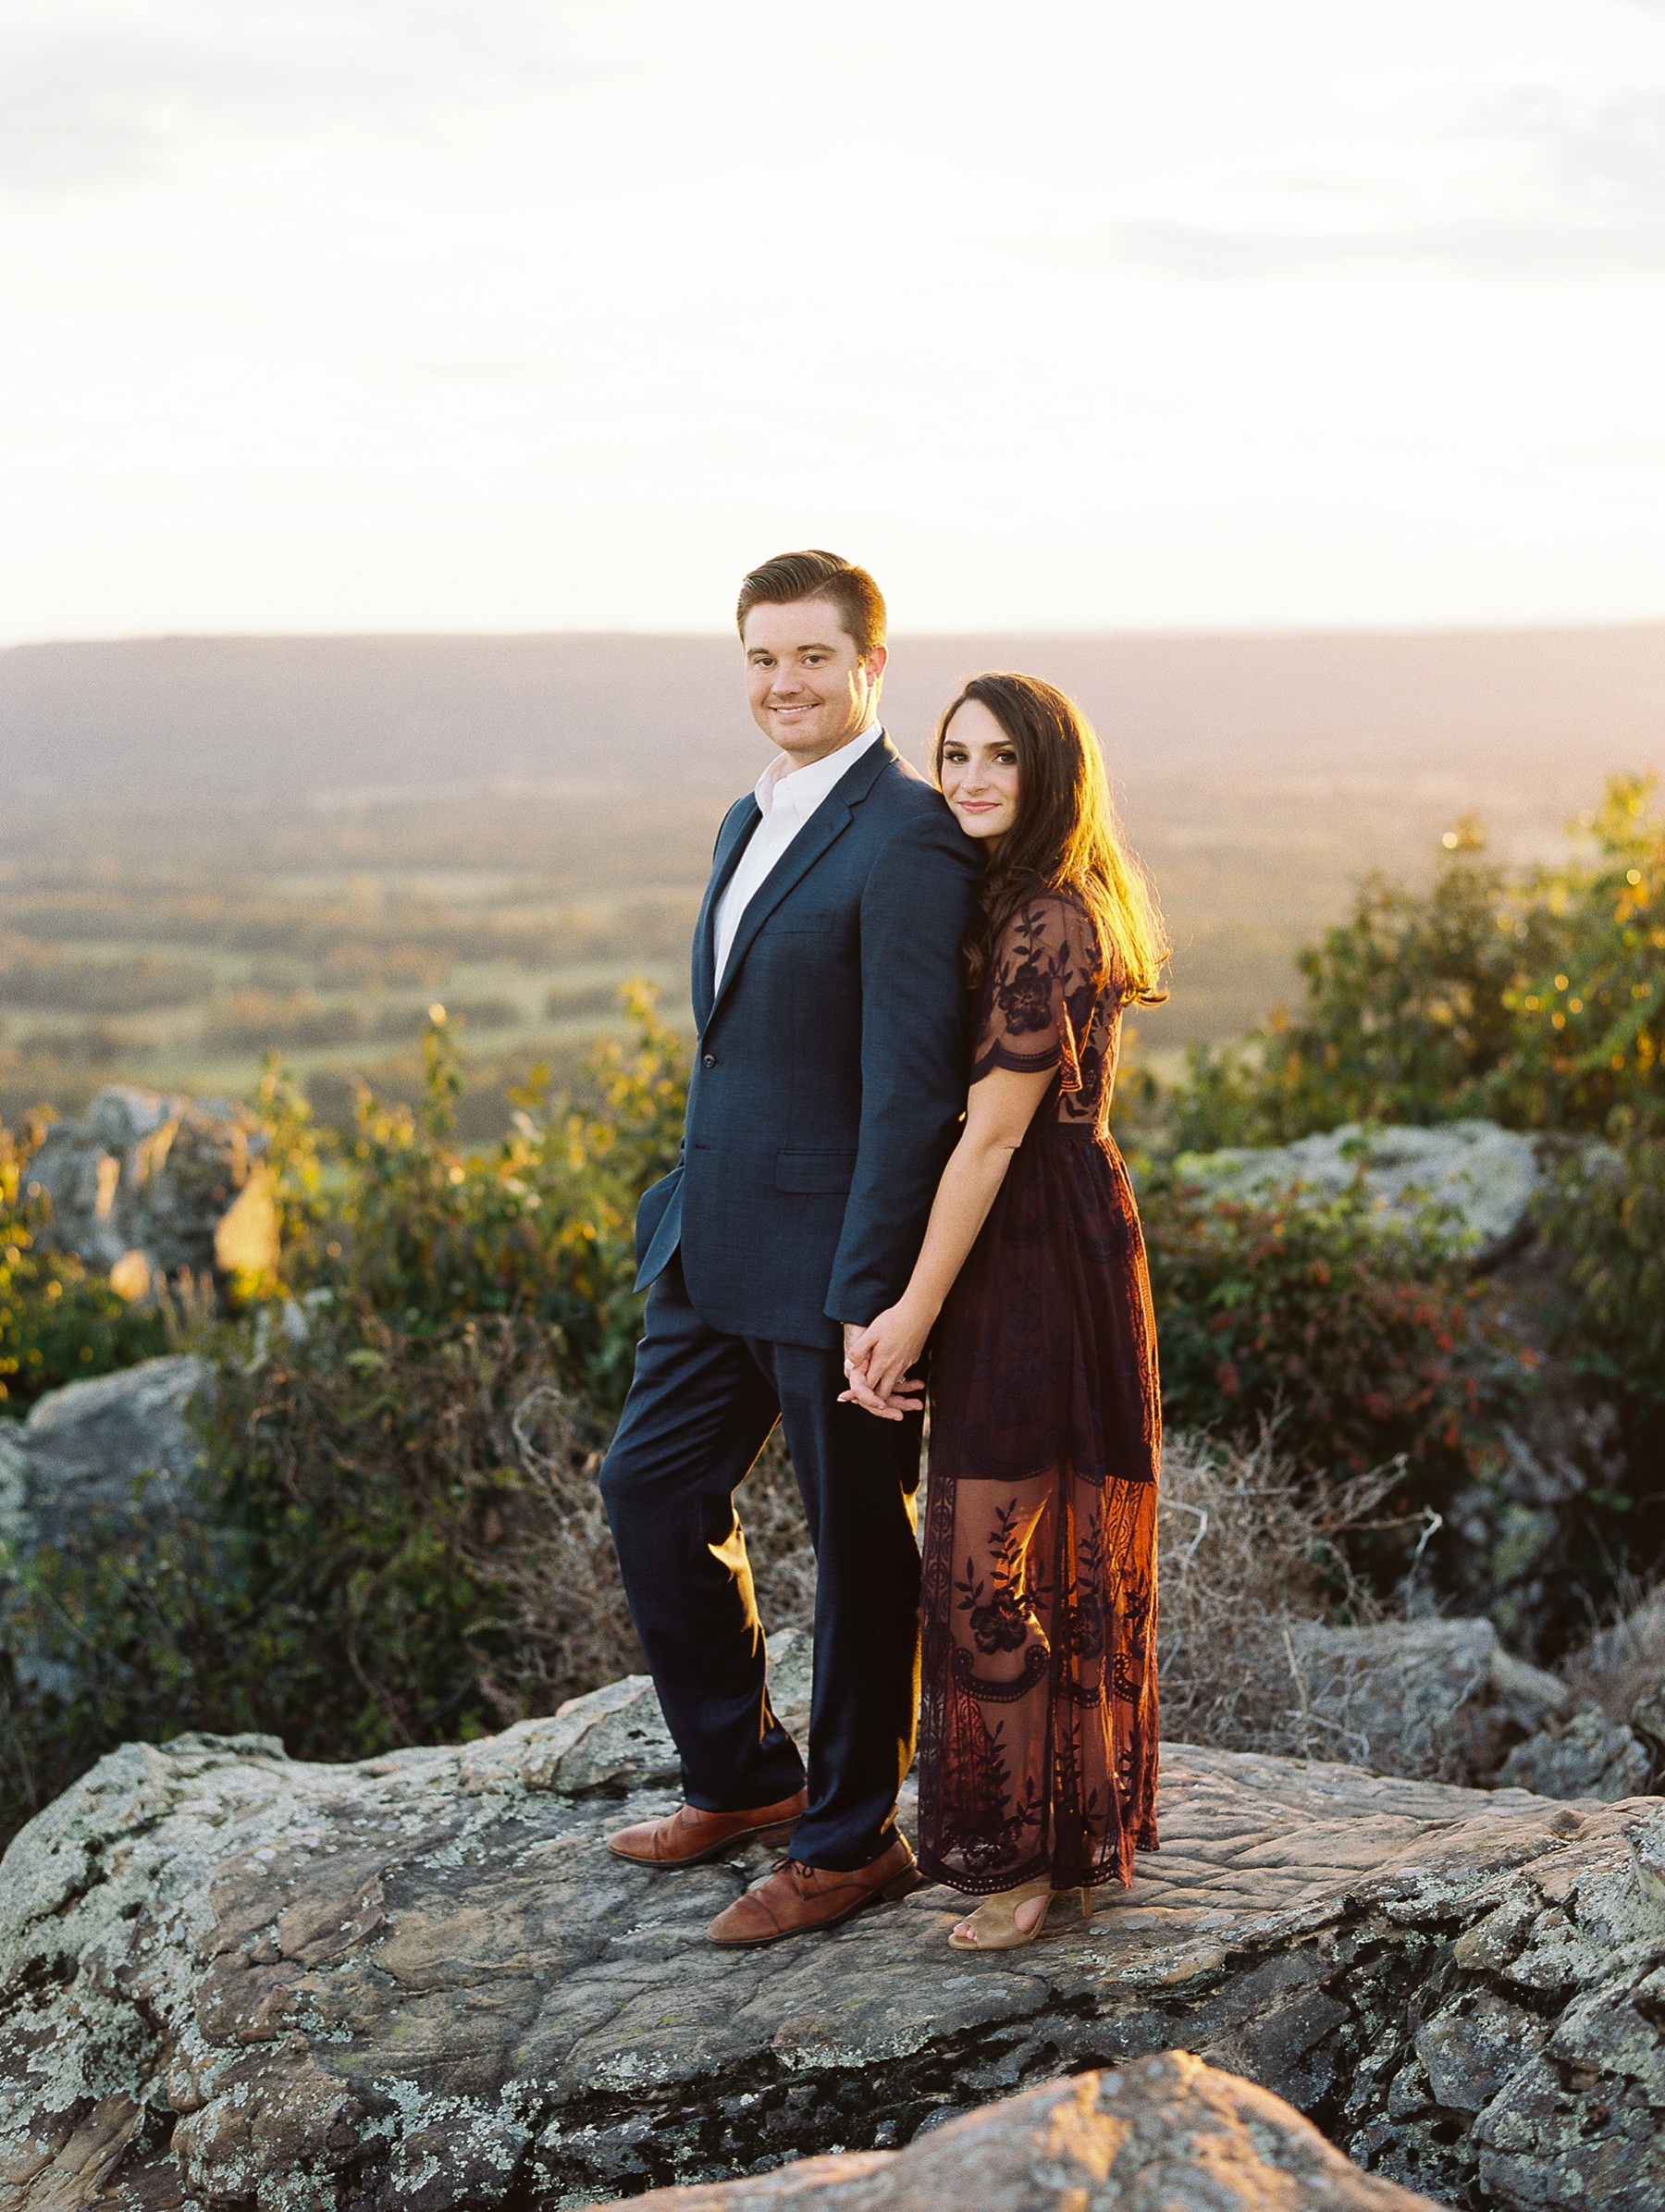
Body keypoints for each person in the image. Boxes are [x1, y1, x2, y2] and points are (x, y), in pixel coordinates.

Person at [598, 550, 981, 1946]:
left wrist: (880, 1292)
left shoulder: (910, 833)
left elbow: (909, 1088)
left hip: (837, 1265)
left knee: (857, 1551)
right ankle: (745, 1777)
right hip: (712, 1244)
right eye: (762, 658)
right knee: (647, 1485)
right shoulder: (741, 817)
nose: (784, 684)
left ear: (872, 666)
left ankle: (847, 1840)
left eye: (813, 658)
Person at [841, 672, 1167, 1951]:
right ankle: (1059, 1846)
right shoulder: (1015, 904)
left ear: (1050, 777)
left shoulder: (1050, 921)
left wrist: (909, 1311)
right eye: (953, 754)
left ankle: (1032, 1860)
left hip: (1033, 1248)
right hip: (1028, 1237)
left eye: (1000, 760)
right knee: (1011, 1554)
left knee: (992, 1560)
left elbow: (988, 1140)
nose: (971, 778)